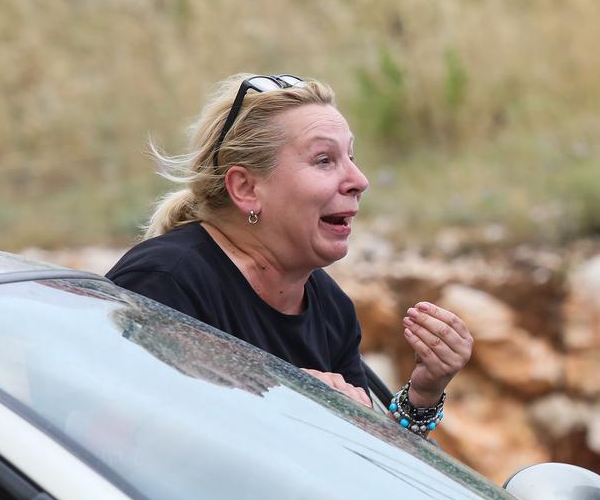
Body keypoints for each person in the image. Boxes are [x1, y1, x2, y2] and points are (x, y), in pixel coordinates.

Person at [108, 74, 472, 438]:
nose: (359, 180)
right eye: (324, 160)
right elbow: (115, 443)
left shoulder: (331, 307)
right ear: (246, 188)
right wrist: (287, 400)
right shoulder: (165, 282)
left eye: (351, 156)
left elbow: (369, 459)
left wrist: (424, 393)